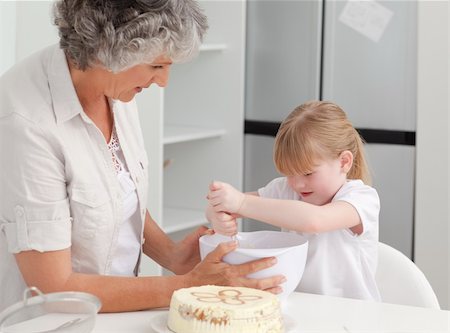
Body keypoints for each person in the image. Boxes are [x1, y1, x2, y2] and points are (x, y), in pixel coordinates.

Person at [0, 0, 284, 313]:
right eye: (156, 66)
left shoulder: (116, 86)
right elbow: (55, 288)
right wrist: (188, 286)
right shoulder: (26, 122)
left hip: (117, 314)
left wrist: (172, 255)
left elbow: (112, 193)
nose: (163, 82)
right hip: (52, 322)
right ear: (107, 51)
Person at [207, 100, 381, 301]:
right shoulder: (286, 189)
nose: (297, 184)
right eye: (290, 173)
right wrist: (216, 213)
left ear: (344, 162)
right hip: (302, 307)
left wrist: (242, 204)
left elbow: (315, 221)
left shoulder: (361, 198)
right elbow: (226, 207)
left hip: (352, 316)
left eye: (308, 173)